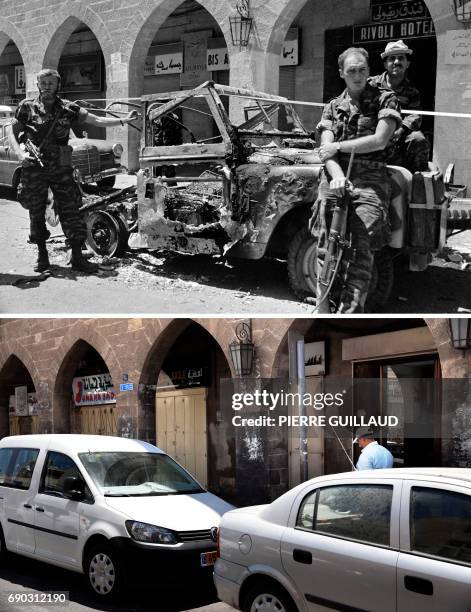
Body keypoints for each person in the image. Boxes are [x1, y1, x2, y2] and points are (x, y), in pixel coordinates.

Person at [7, 68, 137, 273]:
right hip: (34, 168)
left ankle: (77, 256)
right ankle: (42, 255)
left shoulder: (68, 108)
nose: (47, 86)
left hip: (61, 168)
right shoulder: (27, 107)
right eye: (43, 82)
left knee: (71, 209)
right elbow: (12, 130)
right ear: (38, 85)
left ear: (58, 85)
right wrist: (20, 153)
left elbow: (95, 120)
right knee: (36, 211)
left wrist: (123, 121)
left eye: (51, 82)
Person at [313, 47, 402, 313]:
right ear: (342, 73)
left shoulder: (386, 99)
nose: (358, 75)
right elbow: (325, 149)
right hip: (335, 176)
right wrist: (338, 175)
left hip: (371, 179)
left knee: (361, 251)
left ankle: (350, 313)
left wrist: (340, 148)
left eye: (362, 69)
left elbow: (379, 140)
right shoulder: (332, 106)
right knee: (325, 246)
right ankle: (322, 309)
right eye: (352, 70)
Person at [369, 40, 430, 172]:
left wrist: (401, 129)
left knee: (418, 138)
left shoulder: (412, 91)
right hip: (372, 132)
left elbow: (415, 115)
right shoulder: (371, 85)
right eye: (392, 58)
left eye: (401, 58)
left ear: (407, 64)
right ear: (385, 64)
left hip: (398, 135)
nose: (396, 62)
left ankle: (419, 181)